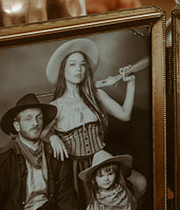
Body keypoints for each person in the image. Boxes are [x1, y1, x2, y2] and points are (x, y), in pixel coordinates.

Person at [43, 37, 138, 168]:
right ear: (62, 70)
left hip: (102, 162)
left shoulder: (96, 95)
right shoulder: (55, 106)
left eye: (82, 64)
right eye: (72, 64)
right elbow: (39, 134)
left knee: (141, 183)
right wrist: (51, 137)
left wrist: (131, 83)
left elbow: (125, 115)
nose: (79, 69)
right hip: (73, 169)